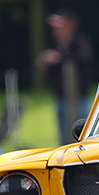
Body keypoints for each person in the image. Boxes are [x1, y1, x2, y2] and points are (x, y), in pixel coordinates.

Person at [37, 8, 94, 145]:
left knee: (82, 135)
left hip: (78, 97)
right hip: (61, 97)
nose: (56, 31)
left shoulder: (80, 41)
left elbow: (83, 58)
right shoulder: (56, 44)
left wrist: (58, 58)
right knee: (64, 139)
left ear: (70, 25)